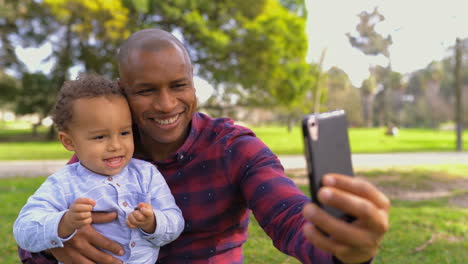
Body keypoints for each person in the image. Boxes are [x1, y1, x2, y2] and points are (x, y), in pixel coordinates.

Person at [19, 29, 390, 264]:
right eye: (146, 90)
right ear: (123, 89)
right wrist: (52, 242)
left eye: (179, 85)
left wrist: (346, 251)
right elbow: (39, 222)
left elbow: (289, 217)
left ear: (194, 84)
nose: (166, 104)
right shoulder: (106, 153)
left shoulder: (234, 148)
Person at [14, 74, 184, 264]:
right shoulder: (63, 183)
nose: (115, 145)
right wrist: (64, 223)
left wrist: (153, 222)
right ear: (69, 141)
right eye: (99, 137)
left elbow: (175, 221)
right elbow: (24, 229)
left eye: (124, 133)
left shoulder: (147, 175)